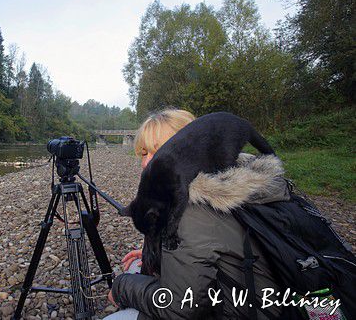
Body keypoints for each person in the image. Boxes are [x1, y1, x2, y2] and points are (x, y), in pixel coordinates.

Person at [104, 108, 288, 319]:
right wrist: (160, 252)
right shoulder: (227, 183)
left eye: (158, 151)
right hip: (250, 300)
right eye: (144, 153)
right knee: (138, 266)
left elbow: (177, 307)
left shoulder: (191, 211)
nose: (146, 164)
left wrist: (120, 287)